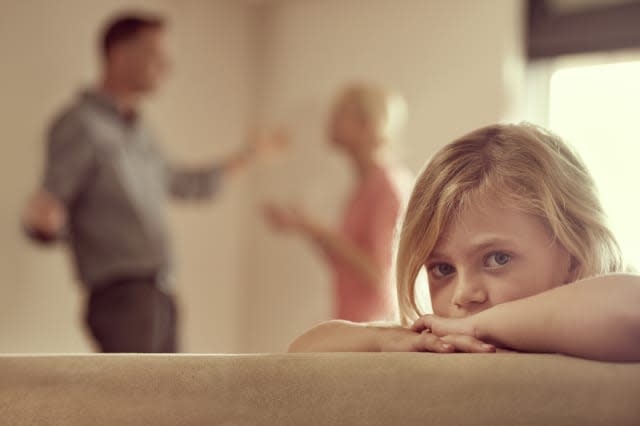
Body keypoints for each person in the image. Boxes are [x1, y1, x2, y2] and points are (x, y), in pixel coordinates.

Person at [22, 13, 285, 353]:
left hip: (160, 293)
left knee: (171, 403)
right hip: (122, 296)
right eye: (154, 54)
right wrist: (42, 226)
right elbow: (49, 207)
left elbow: (184, 183)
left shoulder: (141, 133)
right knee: (135, 405)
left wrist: (249, 155)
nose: (166, 65)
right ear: (118, 54)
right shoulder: (79, 125)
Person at [289, 123, 640, 362]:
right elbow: (303, 352)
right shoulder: (444, 343)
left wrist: (475, 325)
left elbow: (630, 307)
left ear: (574, 260)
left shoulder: (599, 328)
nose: (462, 295)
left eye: (497, 259)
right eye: (442, 269)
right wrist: (383, 339)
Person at [263, 83, 410, 322]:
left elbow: (380, 273)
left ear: (367, 124)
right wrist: (305, 227)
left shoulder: (387, 187)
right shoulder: (364, 185)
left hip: (372, 328)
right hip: (353, 321)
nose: (330, 119)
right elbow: (345, 262)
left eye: (341, 112)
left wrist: (315, 229)